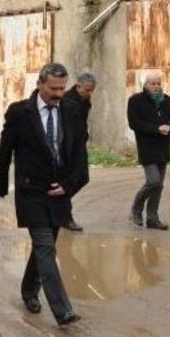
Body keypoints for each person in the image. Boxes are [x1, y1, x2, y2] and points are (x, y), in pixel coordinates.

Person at [0, 63, 86, 326]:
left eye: (62, 88)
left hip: (58, 192)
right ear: (40, 85)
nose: (58, 93)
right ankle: (62, 310)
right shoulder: (20, 112)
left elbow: (79, 153)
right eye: (53, 88)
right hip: (31, 191)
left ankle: (29, 290)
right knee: (45, 246)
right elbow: (5, 150)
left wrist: (69, 185)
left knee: (44, 247)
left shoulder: (71, 110)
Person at [128, 71, 170, 230]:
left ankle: (152, 218)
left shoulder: (167, 100)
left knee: (159, 185)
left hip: (163, 147)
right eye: (153, 84)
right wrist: (157, 129)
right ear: (145, 85)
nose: (156, 87)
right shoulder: (136, 101)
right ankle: (136, 208)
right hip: (147, 147)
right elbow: (134, 123)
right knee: (154, 181)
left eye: (158, 83)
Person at [60, 71, 97, 232]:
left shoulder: (84, 100)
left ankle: (59, 205)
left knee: (83, 178)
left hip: (79, 144)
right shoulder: (68, 102)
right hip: (69, 146)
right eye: (87, 90)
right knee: (71, 179)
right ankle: (65, 217)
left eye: (91, 90)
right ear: (78, 86)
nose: (89, 93)